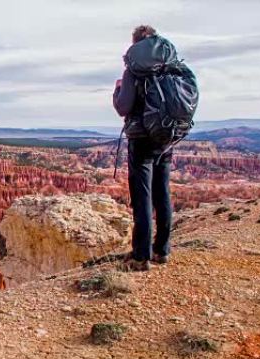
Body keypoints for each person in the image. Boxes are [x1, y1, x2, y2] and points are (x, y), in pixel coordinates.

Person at [113, 25, 173, 271]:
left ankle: (141, 256)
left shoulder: (133, 72)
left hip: (141, 140)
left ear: (136, 45)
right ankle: (162, 251)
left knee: (143, 197)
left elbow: (123, 107)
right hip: (167, 138)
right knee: (163, 193)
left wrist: (117, 90)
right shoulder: (170, 69)